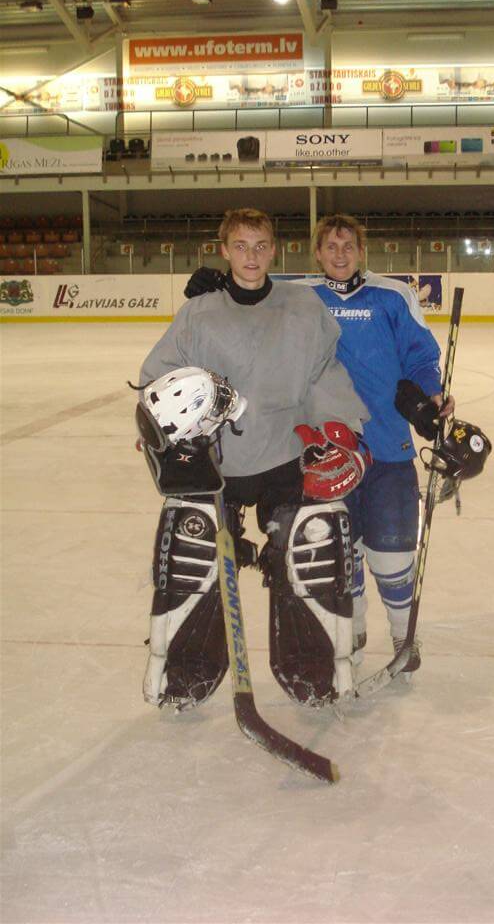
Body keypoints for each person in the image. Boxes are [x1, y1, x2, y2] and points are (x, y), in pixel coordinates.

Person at [186, 212, 455, 675]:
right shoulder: (300, 296)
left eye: (348, 245)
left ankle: (402, 633)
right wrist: (217, 289)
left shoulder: (392, 295)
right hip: (324, 451)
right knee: (337, 555)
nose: (340, 254)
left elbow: (420, 354)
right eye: (330, 246)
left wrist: (430, 392)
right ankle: (350, 631)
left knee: (391, 550)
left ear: (361, 250)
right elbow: (254, 290)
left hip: (388, 444)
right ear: (316, 253)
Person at [139, 208, 369, 710]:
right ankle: (185, 669)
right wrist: (167, 433)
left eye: (260, 245)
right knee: (193, 552)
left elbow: (323, 373)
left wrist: (337, 430)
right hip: (214, 461)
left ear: (274, 250)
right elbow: (159, 377)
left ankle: (311, 669)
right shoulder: (199, 313)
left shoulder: (302, 307)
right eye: (240, 246)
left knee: (306, 551)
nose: (251, 256)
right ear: (224, 250)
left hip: (284, 453)